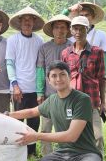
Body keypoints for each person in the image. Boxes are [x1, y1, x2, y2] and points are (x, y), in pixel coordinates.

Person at [8, 61, 102, 161]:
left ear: (70, 77)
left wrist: (36, 136)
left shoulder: (82, 99)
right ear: (49, 80)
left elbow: (71, 136)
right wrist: (8, 115)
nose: (58, 79)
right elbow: (32, 112)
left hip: (85, 153)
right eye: (53, 76)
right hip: (61, 153)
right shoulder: (52, 100)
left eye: (62, 74)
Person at [61, 16, 106, 155]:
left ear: (87, 30)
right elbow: (62, 80)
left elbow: (101, 78)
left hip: (91, 101)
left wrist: (103, 102)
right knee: (71, 137)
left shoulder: (97, 52)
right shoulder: (65, 53)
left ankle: (97, 158)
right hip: (72, 103)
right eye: (75, 28)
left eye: (82, 28)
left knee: (97, 137)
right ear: (71, 30)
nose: (78, 32)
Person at [6, 6, 45, 156]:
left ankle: (31, 151)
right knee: (18, 122)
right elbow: (10, 63)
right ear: (20, 21)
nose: (27, 22)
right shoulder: (13, 40)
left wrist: (40, 89)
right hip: (19, 88)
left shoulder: (39, 40)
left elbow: (40, 65)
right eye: (25, 19)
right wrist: (15, 85)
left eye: (30, 19)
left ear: (34, 22)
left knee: (34, 122)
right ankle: (18, 151)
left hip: (35, 88)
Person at [36, 14, 73, 155]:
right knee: (45, 129)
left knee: (66, 130)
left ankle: (68, 156)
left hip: (67, 96)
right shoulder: (44, 47)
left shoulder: (72, 46)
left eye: (63, 27)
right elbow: (40, 71)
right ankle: (47, 156)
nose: (60, 30)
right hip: (49, 95)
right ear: (52, 30)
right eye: (57, 27)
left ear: (68, 29)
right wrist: (40, 92)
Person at [62, 2, 106, 78]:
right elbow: (59, 21)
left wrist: (105, 78)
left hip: (92, 79)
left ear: (93, 16)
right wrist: (69, 10)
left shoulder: (101, 35)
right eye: (81, 15)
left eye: (87, 15)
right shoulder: (72, 34)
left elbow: (105, 60)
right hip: (73, 78)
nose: (84, 18)